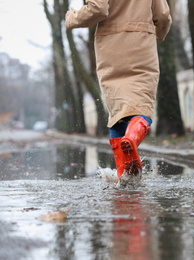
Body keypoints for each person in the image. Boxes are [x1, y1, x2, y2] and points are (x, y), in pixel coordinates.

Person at [65, 0, 172, 180]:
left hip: (111, 47)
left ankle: (124, 175)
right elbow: (162, 16)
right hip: (141, 46)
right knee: (142, 105)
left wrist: (72, 18)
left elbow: (98, 8)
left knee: (117, 113)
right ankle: (131, 138)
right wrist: (156, 35)